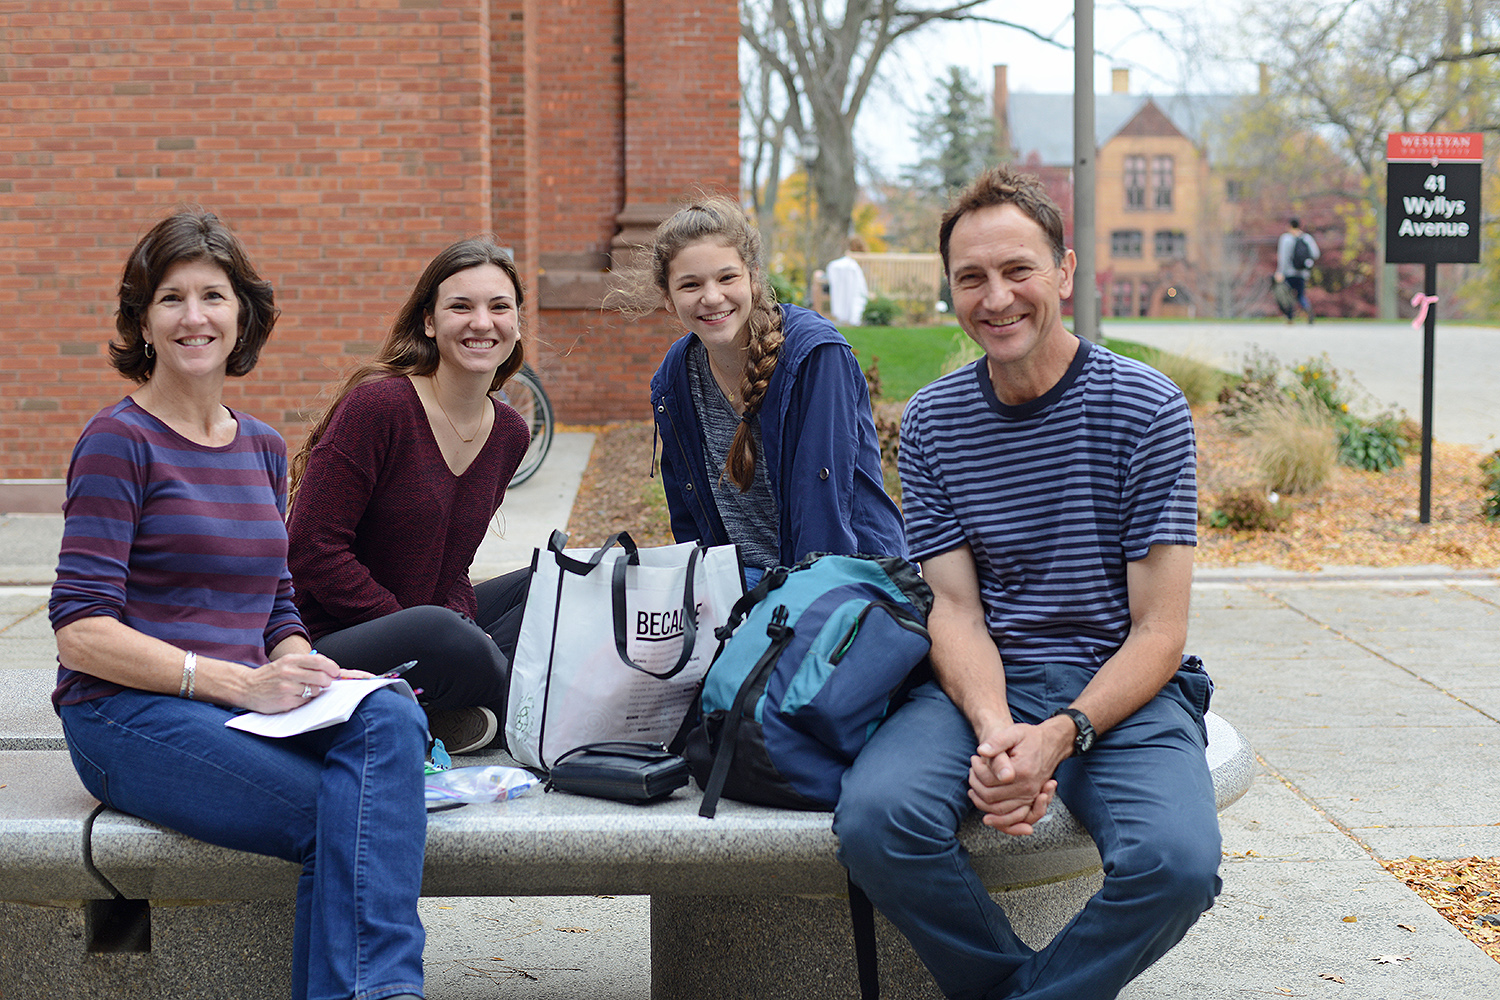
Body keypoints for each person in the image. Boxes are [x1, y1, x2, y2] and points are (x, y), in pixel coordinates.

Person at [834, 166, 1220, 1000]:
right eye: (971, 278)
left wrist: (1059, 734)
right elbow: (956, 609)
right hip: (985, 677)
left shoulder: (1146, 409)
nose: (997, 297)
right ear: (951, 290)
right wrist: (998, 729)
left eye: (1018, 270)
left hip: (1118, 683)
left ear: (1065, 273)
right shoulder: (934, 421)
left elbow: (1161, 631)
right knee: (876, 823)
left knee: (1178, 865)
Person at [50, 210, 428, 1000]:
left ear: (243, 315)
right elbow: (81, 633)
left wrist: (299, 662)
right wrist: (235, 682)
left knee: (391, 713)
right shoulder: (118, 442)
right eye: (172, 299)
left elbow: (278, 603)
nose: (195, 317)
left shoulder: (258, 444)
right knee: (345, 814)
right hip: (128, 714)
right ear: (143, 324)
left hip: (244, 708)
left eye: (214, 296)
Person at [287, 238, 532, 755]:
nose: (481, 323)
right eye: (460, 306)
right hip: (331, 636)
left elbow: (453, 567)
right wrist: (416, 625)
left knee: (553, 585)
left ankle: (442, 709)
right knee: (446, 635)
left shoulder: (509, 432)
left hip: (426, 625)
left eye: (499, 307)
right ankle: (529, 709)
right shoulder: (380, 406)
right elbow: (310, 548)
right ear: (428, 321)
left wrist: (463, 627)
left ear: (517, 323)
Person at [609, 196, 905, 584]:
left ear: (753, 276)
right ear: (668, 297)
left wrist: (793, 613)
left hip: (845, 578)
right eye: (690, 284)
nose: (712, 297)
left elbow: (823, 512)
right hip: (737, 583)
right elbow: (688, 515)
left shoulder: (813, 357)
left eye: (727, 277)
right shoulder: (675, 378)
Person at [1275, 217, 1319, 324]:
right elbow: (1316, 254)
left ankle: (1290, 317)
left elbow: (1283, 257)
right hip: (1302, 273)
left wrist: (1280, 271)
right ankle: (1306, 308)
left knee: (1288, 296)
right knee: (1300, 295)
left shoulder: (1285, 238)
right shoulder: (1307, 238)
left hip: (1288, 273)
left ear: (1289, 226)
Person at [825, 236, 871, 326]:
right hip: (851, 290)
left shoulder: (846, 263)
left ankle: (817, 312)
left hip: (839, 290)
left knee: (816, 277)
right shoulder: (856, 264)